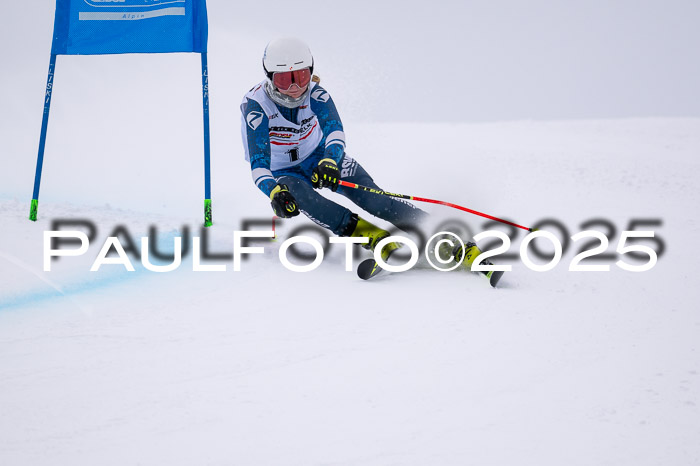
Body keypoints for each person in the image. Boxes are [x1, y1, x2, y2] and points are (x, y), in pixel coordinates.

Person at [240, 37, 427, 260]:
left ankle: (435, 229)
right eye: (284, 80)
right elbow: (259, 164)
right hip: (284, 171)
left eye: (301, 77)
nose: (295, 88)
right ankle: (371, 236)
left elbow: (335, 132)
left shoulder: (317, 94)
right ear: (269, 76)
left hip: (320, 156)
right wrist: (273, 191)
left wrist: (330, 160)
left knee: (375, 199)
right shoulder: (257, 106)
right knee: (302, 197)